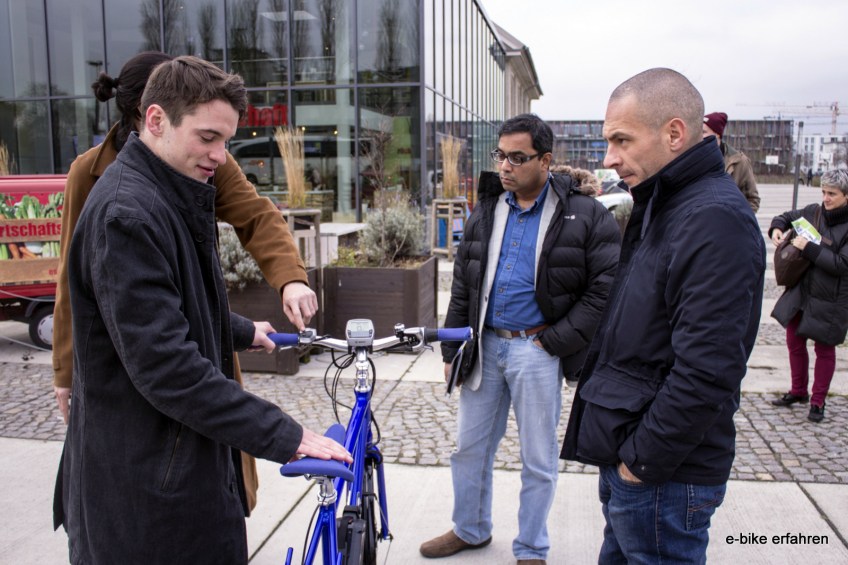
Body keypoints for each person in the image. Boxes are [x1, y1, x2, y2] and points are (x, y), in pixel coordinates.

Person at [52, 56, 351, 565]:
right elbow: (166, 366)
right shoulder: (128, 215)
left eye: (227, 140)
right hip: (148, 495)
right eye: (208, 137)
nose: (221, 155)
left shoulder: (169, 188)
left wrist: (239, 330)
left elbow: (168, 305)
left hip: (172, 472)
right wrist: (285, 434)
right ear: (155, 120)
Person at [561, 68, 765, 563]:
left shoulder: (713, 218)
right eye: (608, 141)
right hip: (636, 461)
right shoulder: (666, 203)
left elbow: (708, 370)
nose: (609, 158)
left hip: (662, 477)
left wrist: (640, 463)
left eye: (622, 140)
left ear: (674, 133)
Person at [420, 113, 620, 564]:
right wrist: (452, 348)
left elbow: (604, 290)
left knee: (538, 458)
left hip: (537, 351)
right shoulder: (488, 208)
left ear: (545, 160)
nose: (505, 166)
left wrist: (555, 341)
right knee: (468, 449)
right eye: (500, 155)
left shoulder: (584, 214)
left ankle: (531, 547)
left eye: (517, 157)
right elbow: (464, 284)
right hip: (485, 347)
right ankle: (470, 529)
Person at [769, 169, 848, 422]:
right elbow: (786, 217)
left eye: (832, 194)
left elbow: (841, 264)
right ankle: (798, 391)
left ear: (846, 196)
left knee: (824, 348)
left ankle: (818, 401)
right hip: (802, 292)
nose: (826, 198)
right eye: (823, 192)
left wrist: (810, 248)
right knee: (794, 341)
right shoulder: (814, 212)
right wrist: (777, 228)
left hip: (831, 298)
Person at [703, 111, 761, 212]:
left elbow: (752, 200)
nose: (699, 136)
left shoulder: (739, 161)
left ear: (717, 134)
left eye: (704, 132)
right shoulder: (695, 158)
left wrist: (738, 219)